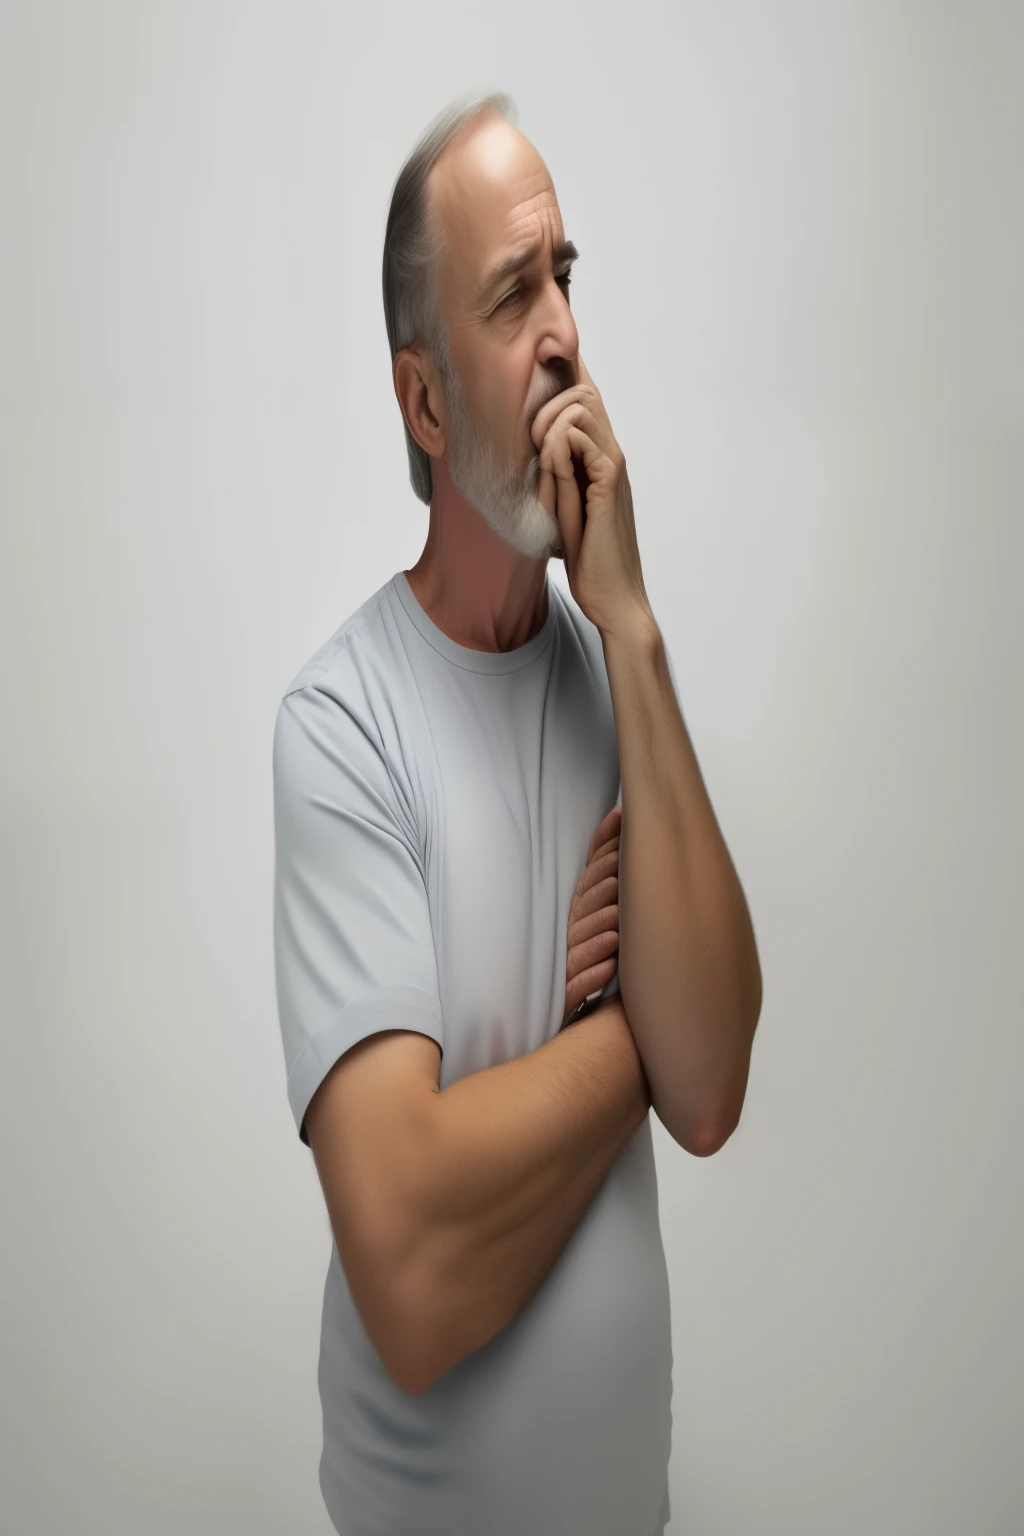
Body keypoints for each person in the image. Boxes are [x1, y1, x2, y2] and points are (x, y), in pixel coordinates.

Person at [272, 89, 762, 1536]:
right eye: (510, 296)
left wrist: (639, 633)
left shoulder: (622, 688)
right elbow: (415, 1278)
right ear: (426, 401)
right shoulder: (341, 725)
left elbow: (720, 1083)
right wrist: (628, 1039)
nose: (562, 333)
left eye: (564, 279)